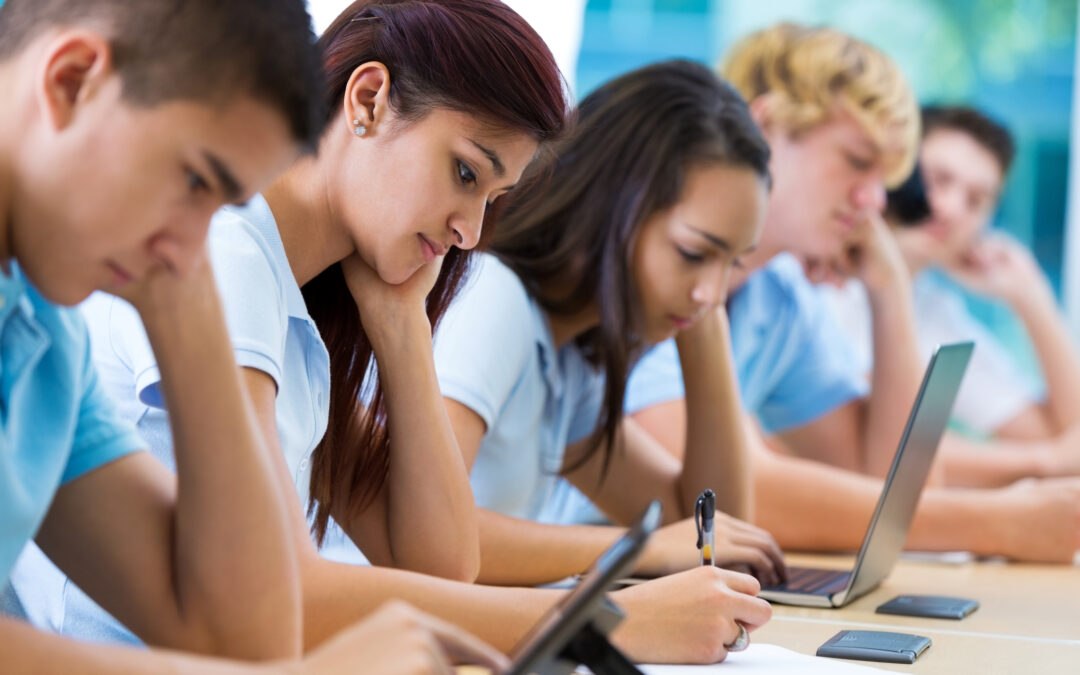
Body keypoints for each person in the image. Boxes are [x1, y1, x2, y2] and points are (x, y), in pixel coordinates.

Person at [9, 2, 765, 667]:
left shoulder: (69, 333)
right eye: (466, 175)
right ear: (365, 100)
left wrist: (401, 325)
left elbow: (423, 564)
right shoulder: (229, 249)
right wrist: (602, 621)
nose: (470, 233)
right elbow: (277, 617)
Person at [0, 0, 511, 672]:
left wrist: (182, 303)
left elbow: (248, 637)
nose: (195, 246)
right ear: (70, 82)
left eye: (223, 204)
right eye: (194, 181)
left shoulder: (45, 339)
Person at [623, 24, 1080, 563]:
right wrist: (997, 524)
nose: (871, 200)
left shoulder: (782, 296)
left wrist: (888, 291)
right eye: (859, 162)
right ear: (765, 129)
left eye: (884, 179)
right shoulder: (663, 265)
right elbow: (726, 499)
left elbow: (901, 481)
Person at [430, 60, 778, 651]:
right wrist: (629, 547)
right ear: (612, 204)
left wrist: (705, 326)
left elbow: (702, 533)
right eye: (695, 252)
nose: (712, 290)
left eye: (733, 264)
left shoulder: (568, 356)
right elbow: (425, 537)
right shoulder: (494, 298)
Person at [822, 105, 1080, 487]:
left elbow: (1066, 441)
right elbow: (868, 444)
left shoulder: (936, 314)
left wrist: (1032, 299)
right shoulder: (816, 281)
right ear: (896, 171)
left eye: (976, 201)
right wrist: (1043, 462)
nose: (951, 209)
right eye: (938, 180)